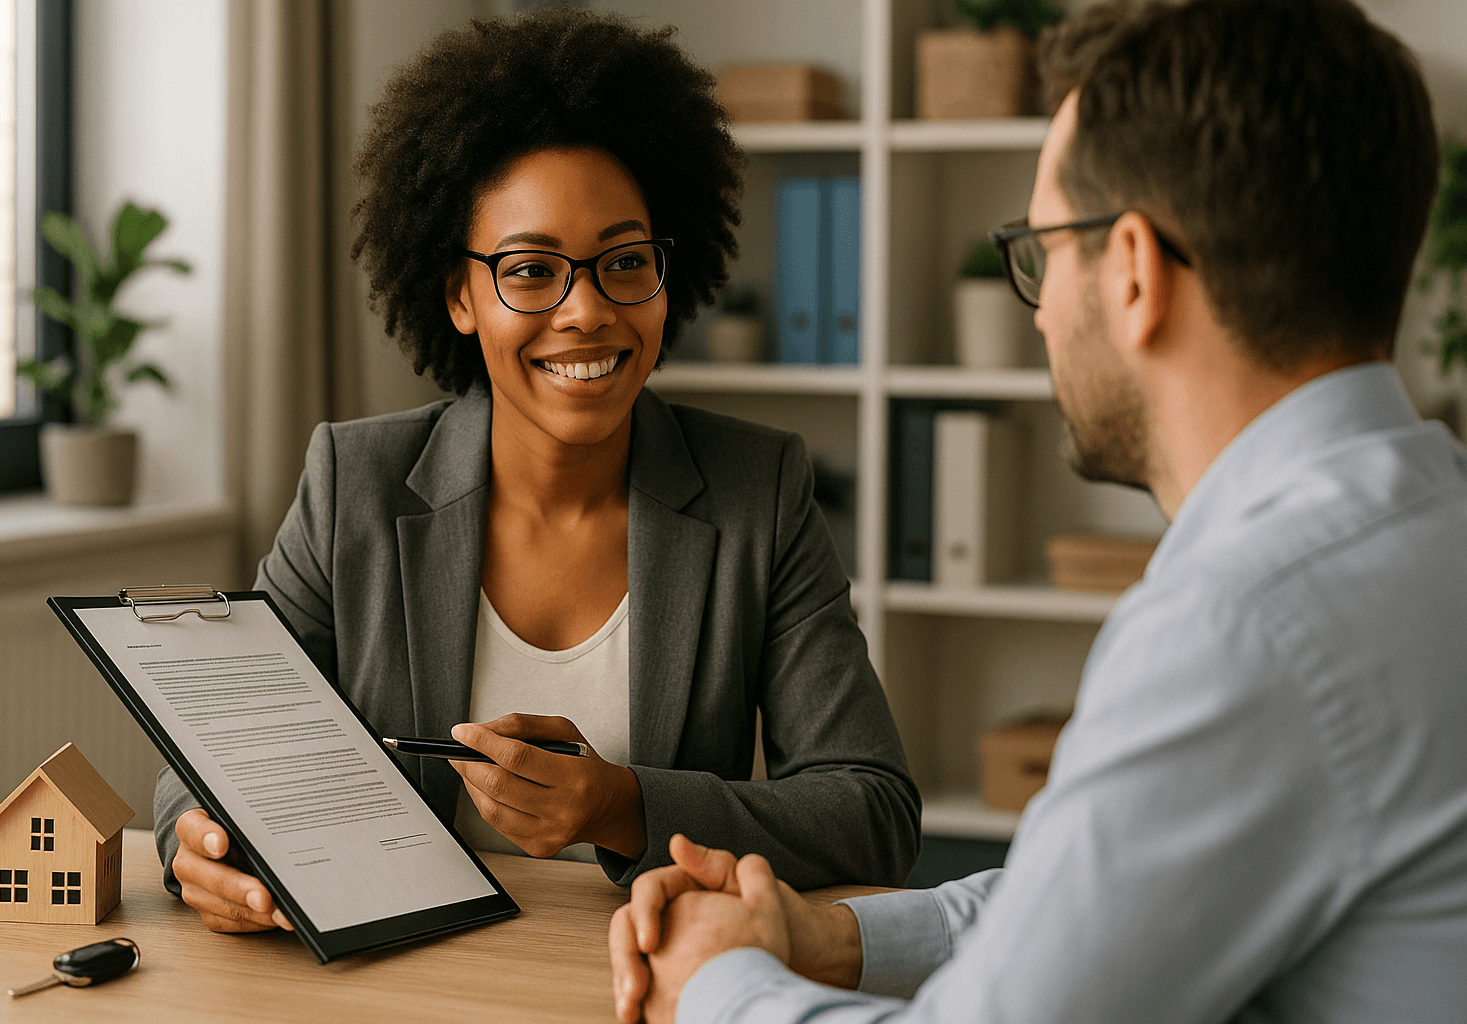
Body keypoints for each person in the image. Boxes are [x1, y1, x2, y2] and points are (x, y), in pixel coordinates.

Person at [610, 1, 1467, 1021]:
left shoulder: (1243, 627)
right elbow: (1103, 894)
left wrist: (715, 981)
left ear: (1137, 272)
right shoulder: (1425, 520)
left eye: (1044, 248)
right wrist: (829, 937)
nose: (1043, 306)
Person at [152, 8, 920, 934]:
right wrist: (191, 842)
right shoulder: (353, 481)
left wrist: (620, 804)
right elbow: (219, 751)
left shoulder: (759, 492)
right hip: (399, 980)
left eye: (624, 262)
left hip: (640, 971)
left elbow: (873, 809)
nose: (586, 311)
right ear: (459, 295)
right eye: (530, 270)